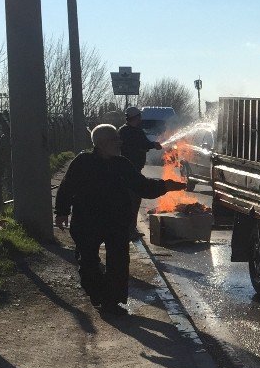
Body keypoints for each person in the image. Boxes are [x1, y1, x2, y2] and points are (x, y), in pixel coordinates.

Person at [54, 124, 186, 316]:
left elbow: (143, 186)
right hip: (87, 221)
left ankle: (112, 303)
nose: (120, 142)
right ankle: (98, 294)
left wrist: (166, 186)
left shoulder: (122, 164)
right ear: (101, 143)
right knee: (88, 263)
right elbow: (66, 188)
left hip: (116, 221)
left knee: (118, 263)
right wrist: (61, 211)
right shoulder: (82, 162)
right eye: (115, 139)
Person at [119, 106, 163, 238]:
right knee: (132, 201)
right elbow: (140, 144)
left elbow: (142, 144)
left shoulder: (130, 130)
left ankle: (130, 228)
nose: (141, 119)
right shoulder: (128, 132)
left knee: (134, 200)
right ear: (136, 117)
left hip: (134, 171)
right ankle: (129, 230)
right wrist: (153, 145)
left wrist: (150, 145)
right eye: (139, 116)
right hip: (129, 173)